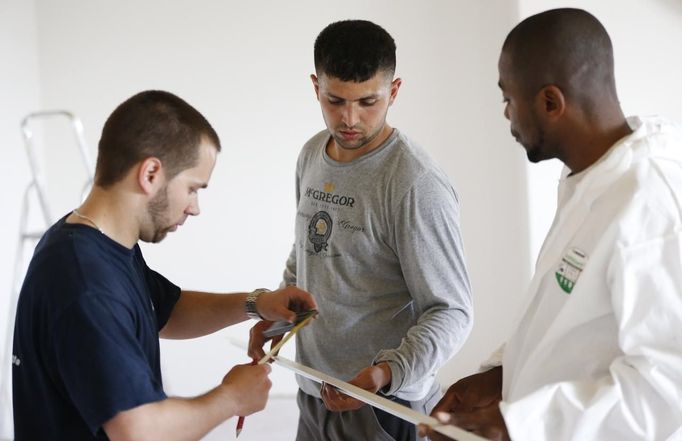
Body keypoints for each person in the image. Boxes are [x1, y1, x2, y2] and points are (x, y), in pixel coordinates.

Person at [420, 8, 682, 441]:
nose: (507, 115)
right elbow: (569, 323)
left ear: (550, 103)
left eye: (508, 99)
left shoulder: (652, 205)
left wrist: (515, 428)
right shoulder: (588, 180)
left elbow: (668, 386)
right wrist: (500, 377)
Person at [11, 90, 317, 440]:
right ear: (152, 172)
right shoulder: (86, 283)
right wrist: (231, 398)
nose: (195, 207)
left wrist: (257, 303)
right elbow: (139, 432)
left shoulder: (93, 243)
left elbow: (165, 310)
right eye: (192, 188)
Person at [248, 20, 473, 441]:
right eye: (335, 101)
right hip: (313, 395)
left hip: (386, 406)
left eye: (368, 101)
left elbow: (452, 311)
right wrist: (278, 320)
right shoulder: (312, 154)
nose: (350, 118)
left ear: (395, 90)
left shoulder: (415, 182)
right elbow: (308, 257)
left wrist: (387, 373)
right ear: (316, 88)